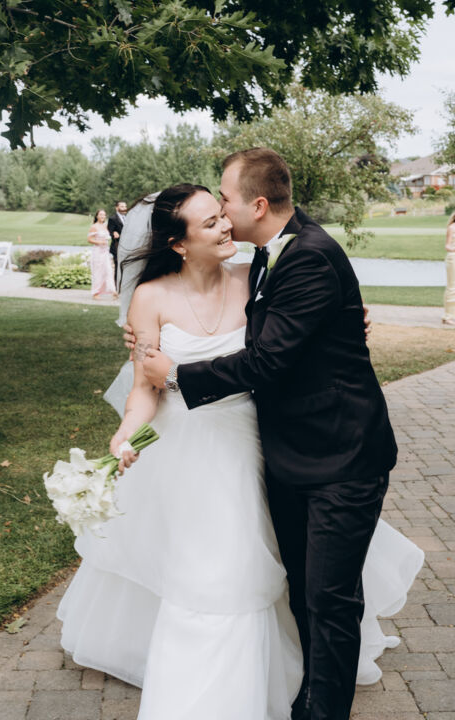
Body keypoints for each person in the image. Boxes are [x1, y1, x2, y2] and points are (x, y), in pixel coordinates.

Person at [58, 182, 424, 720]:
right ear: (179, 244)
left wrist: (351, 314)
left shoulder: (256, 275)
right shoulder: (150, 297)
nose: (226, 224)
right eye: (210, 222)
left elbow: (302, 323)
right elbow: (145, 388)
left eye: (222, 213)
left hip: (257, 444)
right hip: (188, 454)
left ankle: (289, 677)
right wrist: (125, 434)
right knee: (207, 569)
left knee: (278, 564)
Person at [141, 149, 408, 720]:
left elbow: (265, 361)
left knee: (330, 601)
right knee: (304, 595)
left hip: (340, 456)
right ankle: (308, 694)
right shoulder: (266, 255)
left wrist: (179, 374)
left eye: (225, 201)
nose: (222, 211)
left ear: (257, 205)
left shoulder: (308, 256)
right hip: (288, 456)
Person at [87, 209, 117, 300]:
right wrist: (99, 242)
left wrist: (114, 233)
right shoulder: (94, 226)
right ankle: (95, 292)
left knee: (108, 270)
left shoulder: (105, 226)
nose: (102, 216)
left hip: (105, 252)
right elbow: (89, 239)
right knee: (98, 272)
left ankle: (112, 291)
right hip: (97, 252)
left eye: (104, 215)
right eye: (101, 215)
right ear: (97, 216)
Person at [108, 200, 128, 286]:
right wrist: (113, 233)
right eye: (122, 206)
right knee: (118, 267)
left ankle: (125, 284)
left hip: (127, 247)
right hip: (117, 247)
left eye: (125, 206)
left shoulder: (128, 218)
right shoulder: (112, 219)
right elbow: (110, 232)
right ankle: (117, 286)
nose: (124, 208)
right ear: (117, 208)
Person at [443, 211, 455, 326]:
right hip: (453, 258)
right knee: (452, 287)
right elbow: (447, 246)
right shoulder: (452, 227)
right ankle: (448, 317)